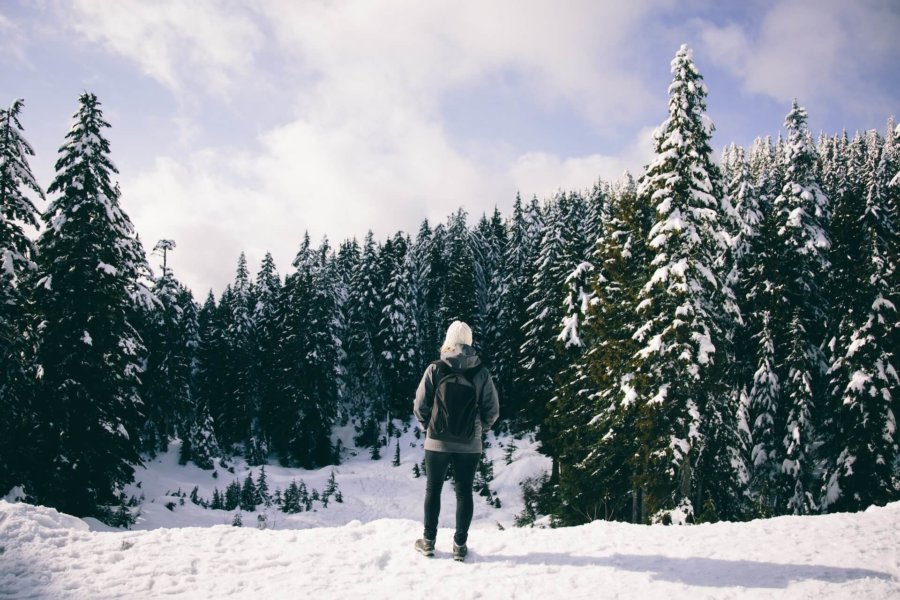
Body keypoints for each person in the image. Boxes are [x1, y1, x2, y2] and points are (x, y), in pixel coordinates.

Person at [413, 320, 499, 561]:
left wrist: (427, 427)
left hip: (436, 441)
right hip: (469, 443)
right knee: (464, 492)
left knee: (433, 489)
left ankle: (428, 542)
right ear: (470, 342)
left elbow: (420, 405)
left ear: (448, 341)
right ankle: (459, 546)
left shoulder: (435, 368)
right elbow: (492, 410)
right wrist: (479, 430)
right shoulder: (481, 372)